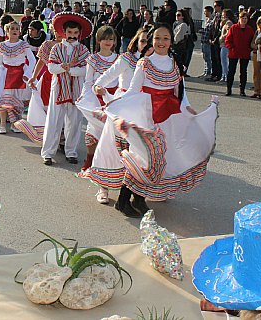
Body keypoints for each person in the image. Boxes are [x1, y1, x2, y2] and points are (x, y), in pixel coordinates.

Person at [85, 23, 218, 217]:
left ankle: (139, 198)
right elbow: (133, 90)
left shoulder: (174, 63)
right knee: (142, 158)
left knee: (159, 160)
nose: (161, 42)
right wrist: (115, 104)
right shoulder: (144, 63)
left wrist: (188, 109)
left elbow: (179, 91)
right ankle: (123, 201)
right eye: (157, 38)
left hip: (168, 117)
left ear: (171, 41)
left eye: (165, 38)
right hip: (147, 116)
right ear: (152, 40)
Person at [83, 28, 149, 203]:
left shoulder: (155, 62)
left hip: (142, 110)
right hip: (121, 107)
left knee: (138, 152)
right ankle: (103, 188)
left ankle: (139, 189)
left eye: (150, 41)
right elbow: (105, 77)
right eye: (143, 41)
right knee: (111, 148)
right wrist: (98, 87)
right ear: (136, 41)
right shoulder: (127, 59)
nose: (147, 45)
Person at [41, 12, 92, 166]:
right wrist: (62, 68)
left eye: (75, 33)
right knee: (53, 121)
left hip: (76, 90)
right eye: (69, 32)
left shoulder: (83, 50)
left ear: (79, 34)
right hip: (58, 90)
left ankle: (71, 152)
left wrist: (70, 70)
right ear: (64, 32)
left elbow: (85, 70)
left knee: (74, 122)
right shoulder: (56, 48)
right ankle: (48, 153)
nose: (72, 36)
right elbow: (50, 67)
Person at [75, 26, 117, 184]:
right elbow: (88, 82)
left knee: (111, 134)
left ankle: (107, 166)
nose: (108, 42)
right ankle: (89, 161)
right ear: (98, 40)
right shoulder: (92, 59)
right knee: (93, 132)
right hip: (95, 99)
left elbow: (120, 81)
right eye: (105, 38)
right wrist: (85, 96)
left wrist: (115, 97)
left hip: (112, 99)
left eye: (111, 39)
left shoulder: (118, 59)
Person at [224, 11, 254, 96]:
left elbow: (252, 40)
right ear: (239, 19)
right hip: (234, 53)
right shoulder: (233, 28)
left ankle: (242, 90)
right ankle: (229, 89)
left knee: (243, 72)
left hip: (245, 53)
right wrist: (231, 48)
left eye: (245, 18)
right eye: (242, 18)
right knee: (231, 71)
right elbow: (228, 40)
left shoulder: (249, 29)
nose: (244, 20)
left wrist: (249, 48)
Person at [218, 9, 236, 82]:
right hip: (224, 44)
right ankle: (224, 76)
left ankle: (225, 76)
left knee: (224, 62)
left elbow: (229, 33)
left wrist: (221, 37)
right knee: (224, 61)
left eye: (223, 15)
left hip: (225, 44)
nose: (222, 16)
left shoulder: (228, 23)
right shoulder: (225, 23)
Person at [199, 6, 214, 78]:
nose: (204, 13)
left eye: (205, 11)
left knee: (208, 57)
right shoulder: (206, 20)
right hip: (203, 41)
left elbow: (211, 31)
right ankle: (205, 72)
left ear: (209, 12)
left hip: (207, 42)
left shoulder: (212, 21)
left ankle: (208, 72)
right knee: (205, 57)